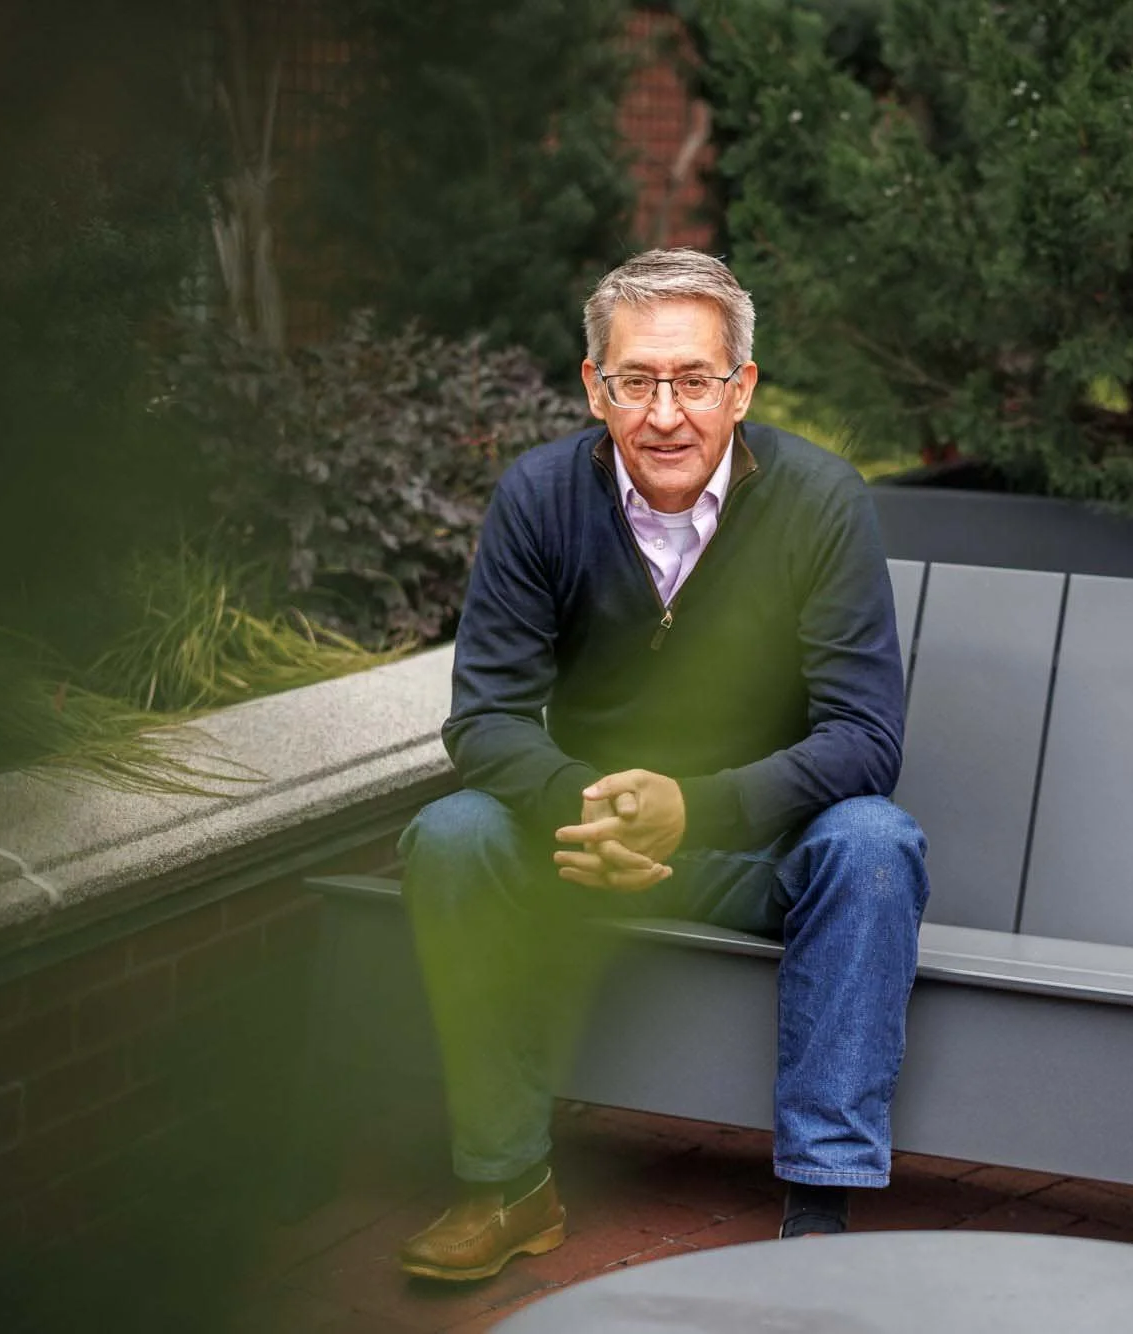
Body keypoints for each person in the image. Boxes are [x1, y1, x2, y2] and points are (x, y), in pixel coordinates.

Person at [393, 248, 930, 1281]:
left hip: (757, 853)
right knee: (451, 834)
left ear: (742, 388)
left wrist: (695, 808)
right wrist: (584, 805)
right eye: (636, 381)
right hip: (581, 845)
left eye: (693, 380)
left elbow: (866, 736)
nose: (666, 413)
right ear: (595, 388)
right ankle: (506, 1185)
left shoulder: (819, 500)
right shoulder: (540, 496)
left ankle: (819, 1207)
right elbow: (486, 717)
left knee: (874, 843)